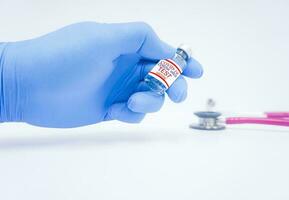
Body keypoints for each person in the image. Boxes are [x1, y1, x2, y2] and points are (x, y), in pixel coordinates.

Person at [0, 22, 203, 128]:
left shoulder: (168, 65)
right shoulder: (170, 61)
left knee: (141, 100)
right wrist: (9, 79)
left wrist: (9, 93)